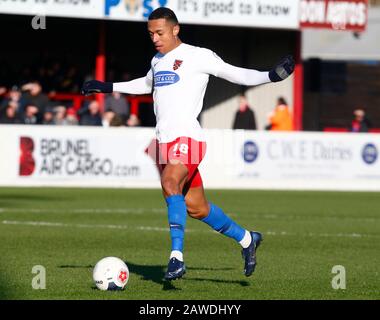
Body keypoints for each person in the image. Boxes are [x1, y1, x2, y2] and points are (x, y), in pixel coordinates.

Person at [81, 7, 294, 280]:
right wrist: (108, 86)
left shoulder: (198, 56)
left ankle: (176, 257)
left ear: (175, 29)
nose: (155, 38)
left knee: (170, 183)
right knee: (197, 207)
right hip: (165, 143)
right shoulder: (157, 60)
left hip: (190, 139)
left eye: (159, 32)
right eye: (150, 34)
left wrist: (270, 76)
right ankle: (247, 240)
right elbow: (146, 84)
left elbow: (236, 74)